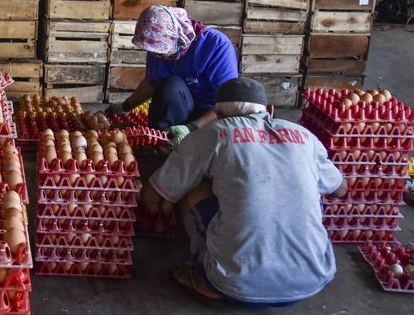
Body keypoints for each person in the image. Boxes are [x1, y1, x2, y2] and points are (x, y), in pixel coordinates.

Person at [140, 77, 348, 307]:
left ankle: (205, 282)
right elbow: (339, 189)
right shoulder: (305, 136)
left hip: (234, 284)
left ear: (217, 115)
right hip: (313, 280)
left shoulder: (212, 134)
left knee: (191, 185)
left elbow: (153, 194)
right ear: (269, 110)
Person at [106, 5, 238, 140]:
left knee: (172, 86)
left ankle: (184, 138)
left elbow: (228, 103)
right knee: (171, 86)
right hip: (180, 110)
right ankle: (164, 139)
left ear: (176, 37)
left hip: (211, 116)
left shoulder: (216, 46)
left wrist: (191, 127)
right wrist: (124, 106)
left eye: (160, 51)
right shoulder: (157, 50)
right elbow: (152, 82)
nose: (156, 55)